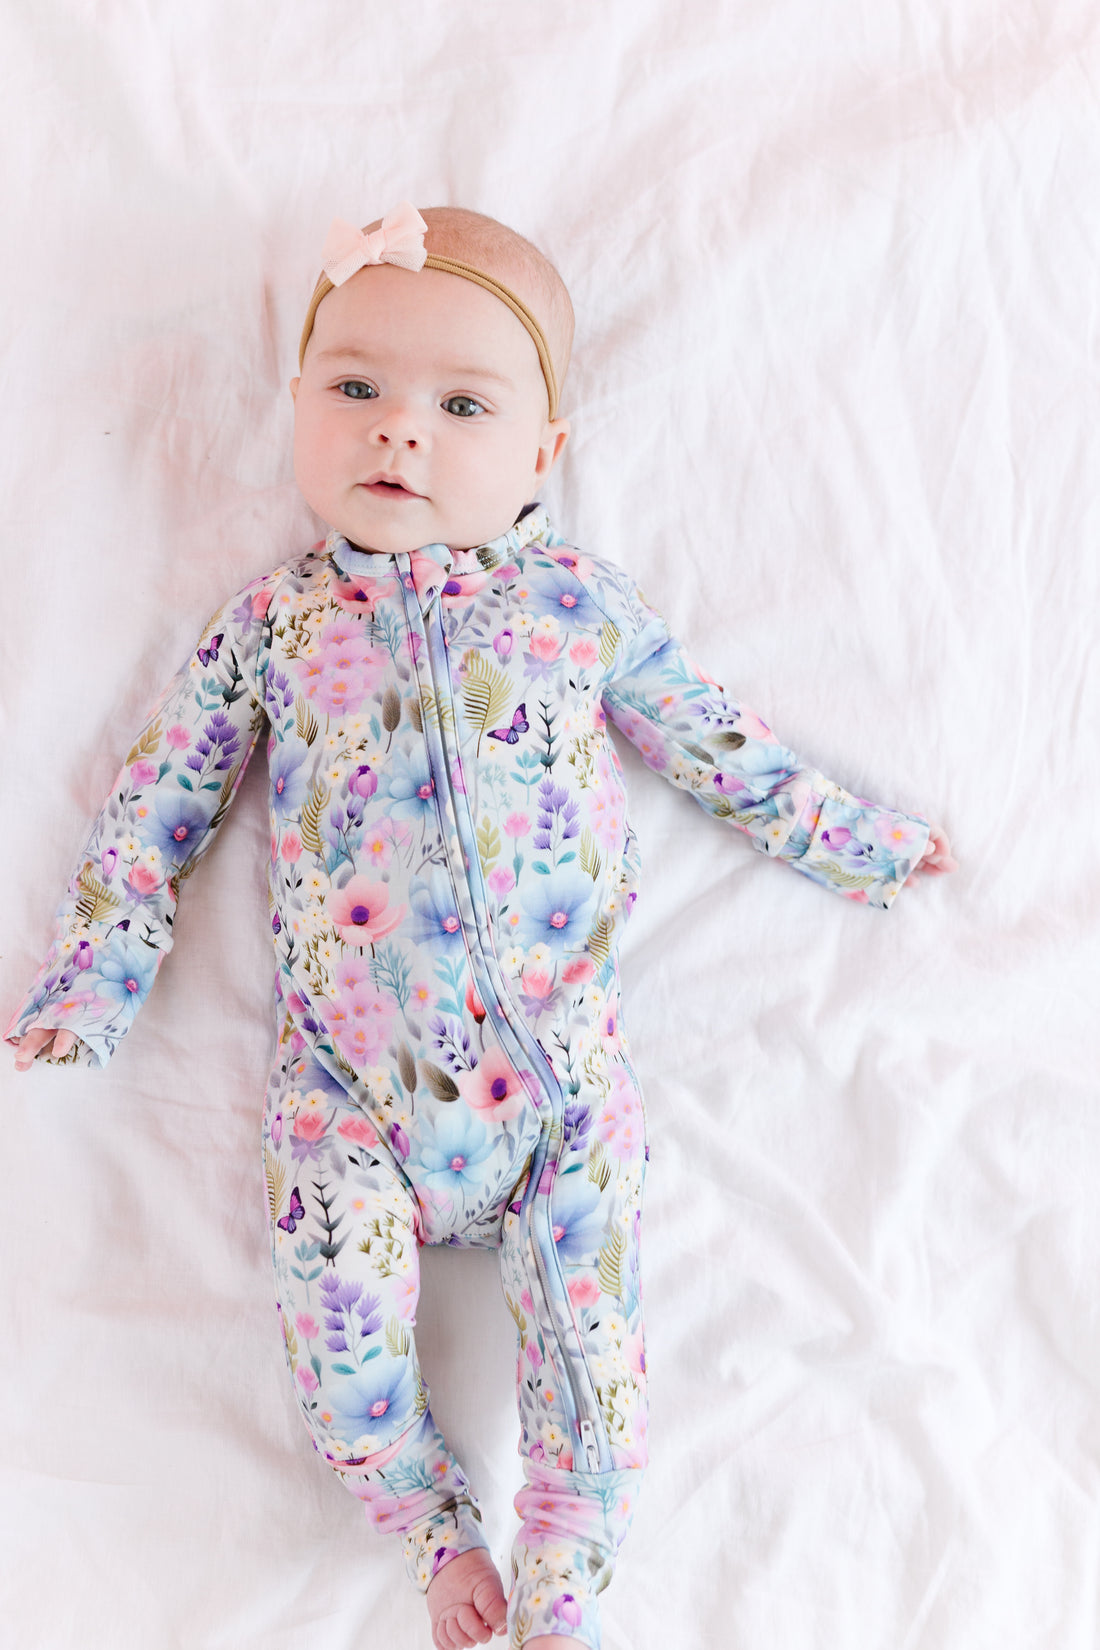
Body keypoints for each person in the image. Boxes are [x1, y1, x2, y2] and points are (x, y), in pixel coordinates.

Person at [6, 202, 956, 1650]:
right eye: (357, 388)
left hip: (563, 1091)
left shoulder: (576, 605)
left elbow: (717, 745)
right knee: (338, 1347)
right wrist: (98, 975)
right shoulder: (270, 629)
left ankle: (566, 1569)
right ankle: (434, 1531)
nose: (400, 432)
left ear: (542, 456)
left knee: (595, 1347)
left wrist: (862, 846)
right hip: (352, 1101)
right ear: (299, 406)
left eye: (460, 404)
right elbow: (158, 807)